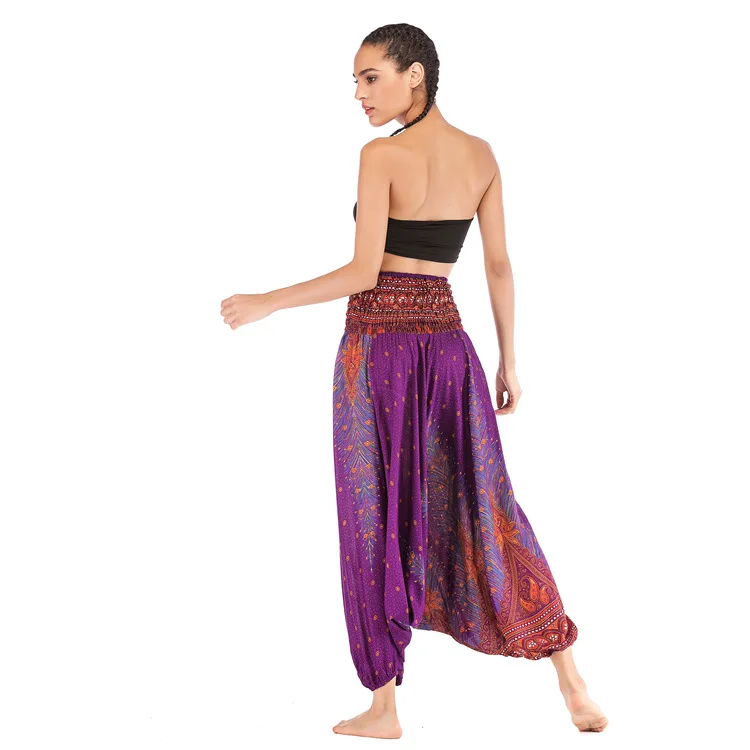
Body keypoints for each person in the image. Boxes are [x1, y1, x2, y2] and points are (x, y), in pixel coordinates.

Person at [220, 22, 608, 739]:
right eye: (355, 81)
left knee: (372, 516)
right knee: (488, 504)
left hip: (377, 353)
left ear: (415, 75)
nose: (360, 95)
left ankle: (384, 708)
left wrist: (268, 301)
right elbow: (498, 265)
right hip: (451, 351)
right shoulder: (481, 155)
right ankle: (571, 678)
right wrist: (508, 359)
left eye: (371, 77)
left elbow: (363, 272)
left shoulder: (381, 156)